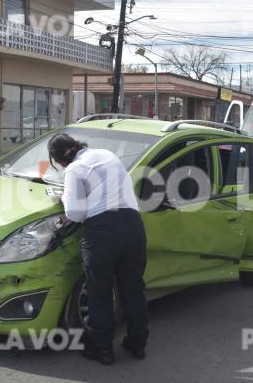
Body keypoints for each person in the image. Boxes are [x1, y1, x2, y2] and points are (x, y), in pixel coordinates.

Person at [48, 133, 149, 365]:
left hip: (103, 231)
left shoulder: (74, 169)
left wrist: (64, 196)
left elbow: (74, 213)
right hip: (133, 227)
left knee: (99, 291)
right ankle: (138, 344)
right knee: (133, 288)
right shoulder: (107, 155)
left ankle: (102, 349)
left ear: (59, 160)